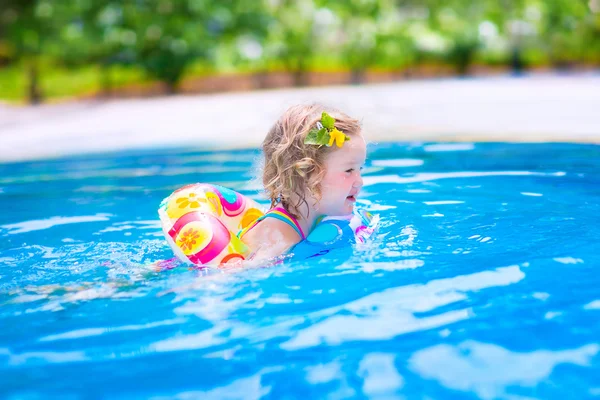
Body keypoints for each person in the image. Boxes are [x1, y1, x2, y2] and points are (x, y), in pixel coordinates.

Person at [238, 104, 366, 261]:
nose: (360, 182)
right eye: (349, 171)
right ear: (308, 174)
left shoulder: (313, 215)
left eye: (360, 169)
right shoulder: (278, 238)